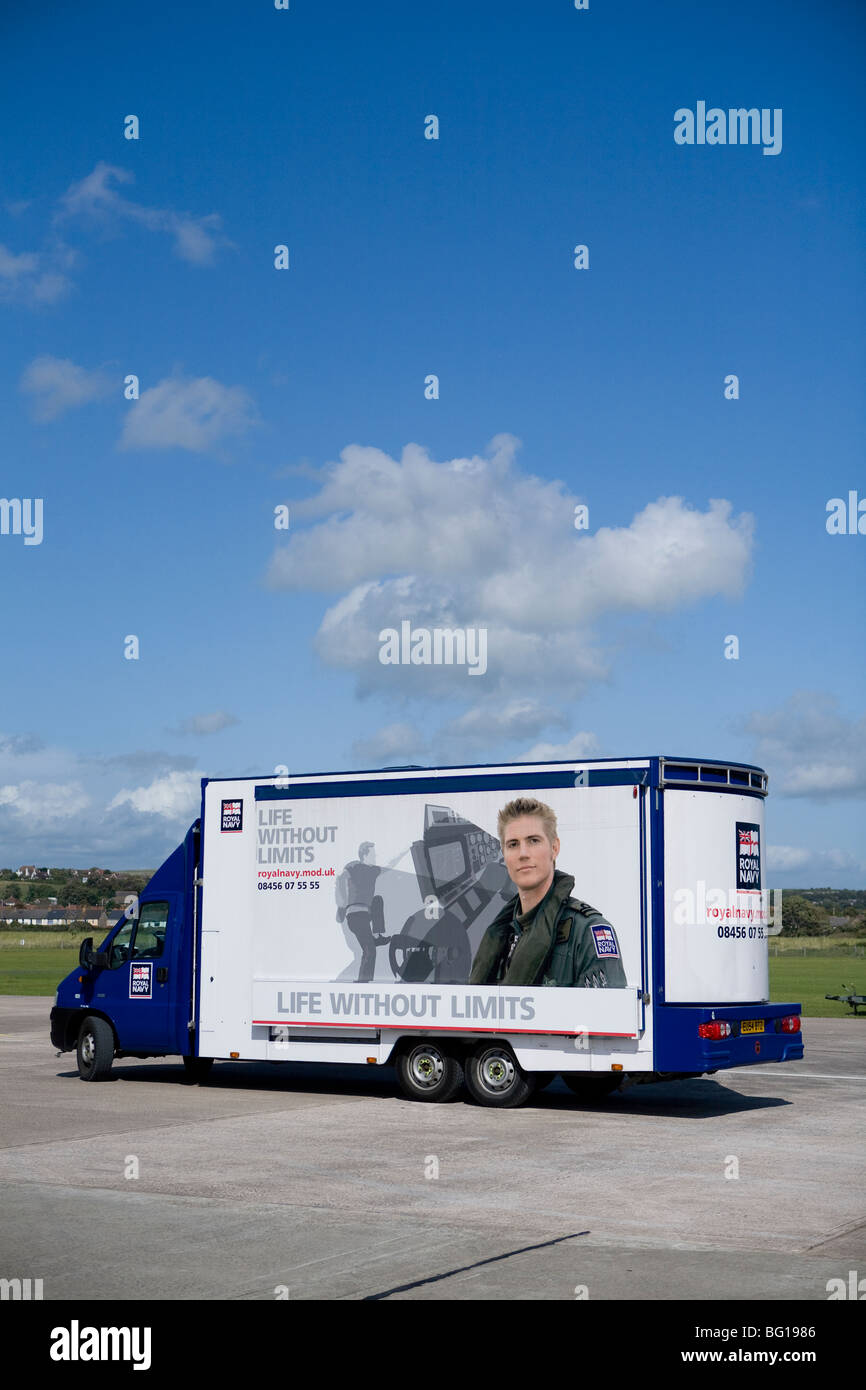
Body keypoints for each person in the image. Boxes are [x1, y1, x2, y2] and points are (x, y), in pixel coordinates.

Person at [468, 797, 627, 987]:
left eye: (533, 841)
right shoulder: (501, 936)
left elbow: (607, 1014)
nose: (523, 853)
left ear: (554, 848)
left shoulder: (587, 932)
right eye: (513, 844)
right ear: (504, 854)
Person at [335, 842, 405, 982]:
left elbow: (390, 864)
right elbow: (340, 878)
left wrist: (404, 851)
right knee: (370, 950)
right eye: (373, 854)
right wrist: (342, 903)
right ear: (365, 855)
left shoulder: (373, 870)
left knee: (377, 900)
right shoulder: (353, 867)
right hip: (355, 915)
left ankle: (377, 934)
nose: (375, 857)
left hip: (365, 913)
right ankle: (362, 981)